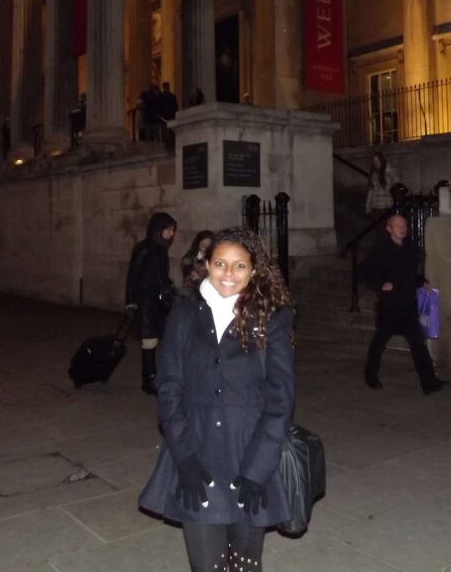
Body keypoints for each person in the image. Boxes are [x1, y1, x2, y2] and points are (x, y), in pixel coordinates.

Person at [139, 228, 295, 572]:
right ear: (206, 264)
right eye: (220, 263)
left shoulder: (271, 317)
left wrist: (258, 469)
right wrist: (184, 457)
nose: (229, 274)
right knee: (207, 566)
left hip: (249, 452)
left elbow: (280, 397)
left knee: (244, 565)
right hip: (197, 451)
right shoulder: (184, 311)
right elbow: (169, 385)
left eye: (239, 266)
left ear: (254, 270)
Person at [358, 213, 448, 395]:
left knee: (417, 343)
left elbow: (410, 275)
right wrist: (380, 285)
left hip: (407, 304)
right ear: (389, 229)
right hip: (390, 306)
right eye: (398, 226)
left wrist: (423, 281)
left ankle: (429, 382)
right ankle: (371, 375)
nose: (403, 229)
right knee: (380, 341)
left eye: (404, 225)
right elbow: (363, 272)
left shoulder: (410, 248)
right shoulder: (381, 250)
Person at [125, 212, 178, 395]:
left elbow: (159, 275)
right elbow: (133, 275)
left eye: (173, 230)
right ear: (159, 230)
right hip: (146, 301)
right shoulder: (145, 248)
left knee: (154, 340)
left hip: (156, 301)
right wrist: (131, 301)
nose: (172, 234)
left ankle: (152, 378)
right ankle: (149, 379)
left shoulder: (161, 248)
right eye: (169, 230)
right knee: (149, 341)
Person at [365, 151, 398, 217]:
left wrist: (388, 170)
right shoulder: (373, 174)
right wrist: (367, 207)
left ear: (381, 160)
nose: (376, 162)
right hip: (376, 206)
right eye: (374, 160)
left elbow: (396, 183)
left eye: (377, 160)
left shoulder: (389, 171)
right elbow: (370, 191)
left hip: (387, 205)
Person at [158, 81, 179, 150]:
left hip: (169, 116)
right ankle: (167, 145)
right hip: (165, 116)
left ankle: (170, 144)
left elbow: (175, 107)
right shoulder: (162, 96)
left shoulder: (170, 96)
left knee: (170, 131)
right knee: (166, 132)